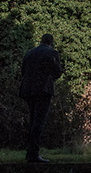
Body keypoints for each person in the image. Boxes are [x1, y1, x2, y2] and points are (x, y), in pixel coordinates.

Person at [19, 34, 63, 163]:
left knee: (32, 120)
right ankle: (33, 153)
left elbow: (23, 72)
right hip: (43, 90)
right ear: (51, 42)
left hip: (28, 90)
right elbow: (57, 72)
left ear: (41, 41)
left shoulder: (29, 53)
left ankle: (30, 152)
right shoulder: (52, 53)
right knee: (39, 122)